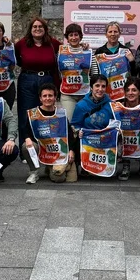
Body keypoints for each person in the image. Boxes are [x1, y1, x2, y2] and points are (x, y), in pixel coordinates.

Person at [14, 16, 61, 143]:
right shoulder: (22, 43)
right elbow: (14, 57)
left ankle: (45, 146)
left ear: (45, 29)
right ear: (30, 29)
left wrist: (82, 46)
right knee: (26, 114)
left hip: (47, 80)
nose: (37, 29)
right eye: (34, 26)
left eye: (40, 26)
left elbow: (68, 52)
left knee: (46, 113)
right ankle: (26, 147)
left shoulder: (53, 43)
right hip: (27, 80)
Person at [57, 23, 90, 182]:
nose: (74, 37)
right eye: (71, 35)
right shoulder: (61, 51)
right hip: (68, 94)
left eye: (76, 34)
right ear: (67, 37)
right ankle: (71, 161)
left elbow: (93, 72)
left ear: (80, 36)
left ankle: (83, 162)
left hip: (84, 94)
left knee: (84, 127)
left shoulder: (87, 51)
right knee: (70, 128)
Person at [22, 82, 66, 185]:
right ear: (40, 98)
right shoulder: (32, 114)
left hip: (57, 152)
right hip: (40, 149)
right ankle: (34, 172)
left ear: (55, 98)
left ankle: (49, 168)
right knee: (26, 146)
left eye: (50, 95)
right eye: (44, 96)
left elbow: (69, 134)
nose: (47, 98)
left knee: (59, 179)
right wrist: (27, 138)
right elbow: (25, 130)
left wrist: (71, 151)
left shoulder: (61, 114)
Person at [115, 76, 140, 181]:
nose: (130, 93)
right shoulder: (118, 106)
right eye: (127, 90)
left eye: (134, 90)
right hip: (124, 139)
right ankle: (126, 165)